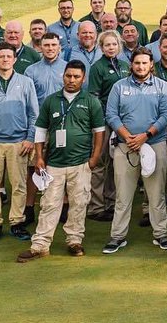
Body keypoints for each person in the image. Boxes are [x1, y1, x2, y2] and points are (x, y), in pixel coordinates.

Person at [17, 61, 106, 262]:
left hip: (81, 162)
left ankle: (74, 240)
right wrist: (39, 157)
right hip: (54, 163)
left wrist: (94, 158)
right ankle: (40, 244)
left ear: (83, 79)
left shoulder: (91, 101)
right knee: (49, 203)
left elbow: (99, 133)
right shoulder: (51, 101)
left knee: (79, 202)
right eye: (68, 76)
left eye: (76, 77)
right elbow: (40, 131)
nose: (71, 80)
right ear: (63, 76)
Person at [103, 48, 167, 254]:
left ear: (151, 65)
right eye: (137, 63)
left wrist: (146, 135)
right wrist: (128, 137)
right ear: (131, 65)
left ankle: (161, 234)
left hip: (155, 143)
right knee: (123, 195)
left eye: (145, 63)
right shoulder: (119, 86)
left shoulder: (163, 87)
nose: (141, 67)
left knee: (156, 194)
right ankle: (117, 236)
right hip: (126, 146)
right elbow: (112, 115)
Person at [0, 45, 39, 243]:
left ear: (14, 59)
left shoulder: (26, 82)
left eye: (8, 56)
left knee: (19, 184)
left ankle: (17, 222)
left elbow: (33, 113)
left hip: (19, 142)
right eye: (1, 56)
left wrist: (30, 138)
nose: (5, 60)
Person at [85, 30, 127, 222]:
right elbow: (93, 96)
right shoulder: (97, 67)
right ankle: (96, 206)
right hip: (104, 121)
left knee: (115, 163)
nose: (111, 47)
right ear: (101, 47)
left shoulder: (126, 66)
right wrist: (106, 118)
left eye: (114, 44)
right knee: (100, 163)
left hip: (122, 121)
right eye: (107, 45)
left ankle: (111, 202)